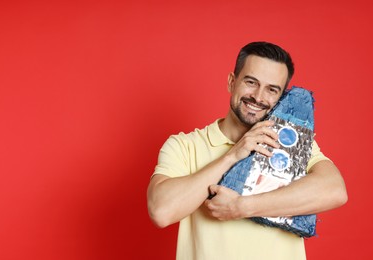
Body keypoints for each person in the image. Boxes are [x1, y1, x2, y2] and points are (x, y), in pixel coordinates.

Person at [147, 41, 347, 260]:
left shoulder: (291, 142)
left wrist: (242, 207)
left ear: (281, 97)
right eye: (251, 82)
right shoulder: (185, 146)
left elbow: (335, 191)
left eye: (272, 90)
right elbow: (161, 211)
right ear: (232, 82)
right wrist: (232, 155)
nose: (259, 97)